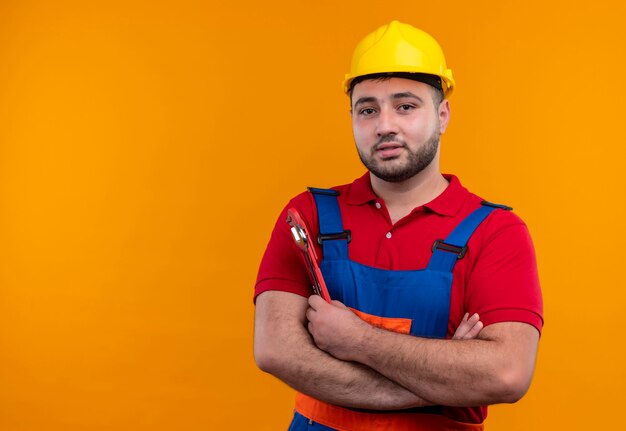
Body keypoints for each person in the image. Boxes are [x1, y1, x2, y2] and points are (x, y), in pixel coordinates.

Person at [253, 20, 543, 431]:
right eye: (367, 109)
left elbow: (507, 374)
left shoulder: (496, 232)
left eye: (405, 106)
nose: (384, 125)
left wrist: (355, 340)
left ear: (442, 115)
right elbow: (276, 351)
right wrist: (443, 380)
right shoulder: (308, 216)